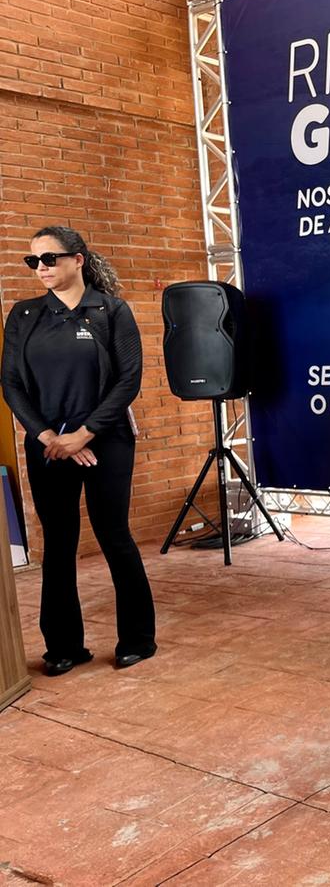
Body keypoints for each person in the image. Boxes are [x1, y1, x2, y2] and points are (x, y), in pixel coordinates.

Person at [2, 226, 156, 675]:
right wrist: (50, 437)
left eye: (50, 259)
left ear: (78, 260)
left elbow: (129, 380)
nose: (42, 268)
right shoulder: (25, 315)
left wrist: (85, 433)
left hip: (105, 441)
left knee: (114, 535)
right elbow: (10, 382)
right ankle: (64, 646)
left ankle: (138, 638)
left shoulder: (111, 311)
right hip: (48, 447)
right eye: (34, 262)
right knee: (59, 542)